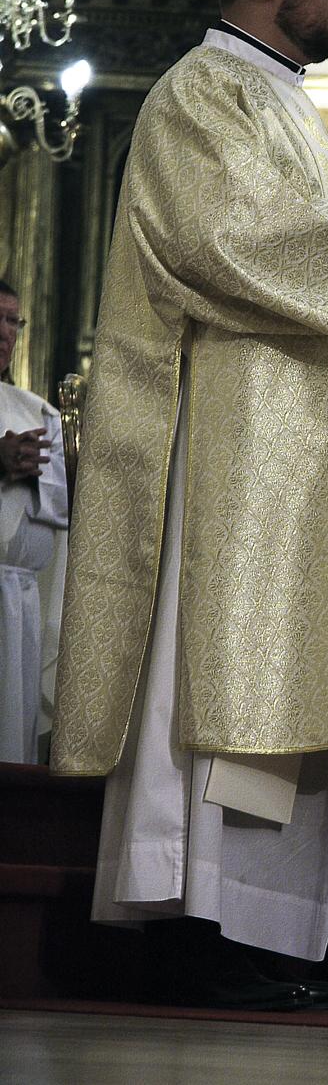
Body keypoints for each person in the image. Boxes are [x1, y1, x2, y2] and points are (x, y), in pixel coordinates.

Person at [50, 0, 328, 1011]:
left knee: (285, 693)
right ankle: (189, 923)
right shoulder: (203, 91)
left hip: (301, 455)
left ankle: (263, 927)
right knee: (212, 680)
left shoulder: (282, 104)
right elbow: (219, 236)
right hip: (227, 451)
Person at [0, 280, 67, 762]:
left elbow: (62, 508)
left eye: (13, 322)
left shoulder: (35, 410)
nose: (5, 332)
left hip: (19, 600)